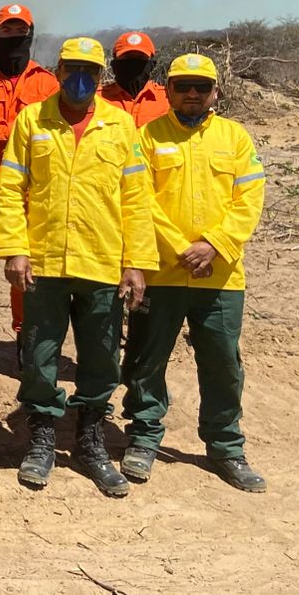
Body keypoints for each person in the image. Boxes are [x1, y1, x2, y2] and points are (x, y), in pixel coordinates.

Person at [0, 36, 158, 496]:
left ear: (101, 76)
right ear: (59, 71)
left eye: (90, 70)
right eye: (72, 69)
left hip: (102, 263)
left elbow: (136, 199)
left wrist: (137, 263)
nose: (80, 78)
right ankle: (41, 440)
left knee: (101, 358)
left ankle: (91, 442)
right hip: (43, 262)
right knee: (41, 357)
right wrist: (14, 249)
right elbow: (9, 190)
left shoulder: (121, 126)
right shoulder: (32, 120)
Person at [122, 54, 268, 492]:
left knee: (223, 364)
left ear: (215, 93)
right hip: (163, 273)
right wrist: (181, 248)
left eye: (200, 87)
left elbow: (250, 198)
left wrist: (215, 245)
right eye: (183, 85)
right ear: (167, 90)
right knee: (147, 361)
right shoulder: (147, 138)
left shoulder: (235, 138)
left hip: (220, 278)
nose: (191, 94)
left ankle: (226, 448)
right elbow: (140, 199)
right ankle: (143, 438)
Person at [0, 3, 59, 354]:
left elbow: (53, 136)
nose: (14, 37)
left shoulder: (47, 83)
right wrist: (12, 132)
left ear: (31, 35)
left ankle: (25, 337)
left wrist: (0, 134)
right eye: (7, 31)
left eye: (21, 31)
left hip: (28, 194)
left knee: (25, 271)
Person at [102, 31, 170, 128]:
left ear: (152, 65)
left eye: (140, 58)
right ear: (114, 64)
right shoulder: (97, 98)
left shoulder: (168, 98)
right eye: (127, 58)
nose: (133, 65)